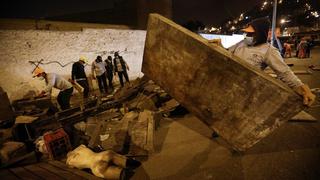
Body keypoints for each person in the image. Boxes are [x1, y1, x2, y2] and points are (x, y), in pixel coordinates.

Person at [225, 17, 315, 106]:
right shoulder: (241, 43)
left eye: (251, 33)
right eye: (246, 33)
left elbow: (284, 72)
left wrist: (301, 88)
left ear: (260, 34)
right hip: (228, 83)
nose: (247, 35)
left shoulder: (269, 50)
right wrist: (219, 45)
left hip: (245, 89)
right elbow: (227, 52)